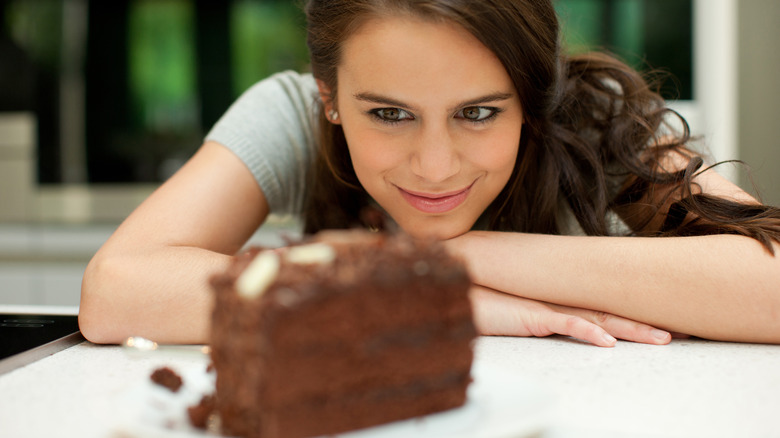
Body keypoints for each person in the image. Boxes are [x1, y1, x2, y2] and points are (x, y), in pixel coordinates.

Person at [79, 0, 780, 347]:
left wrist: (454, 256)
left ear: (535, 98)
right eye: (388, 114)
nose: (436, 166)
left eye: (478, 113)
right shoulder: (288, 114)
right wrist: (413, 296)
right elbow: (116, 292)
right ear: (329, 98)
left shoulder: (595, 117)